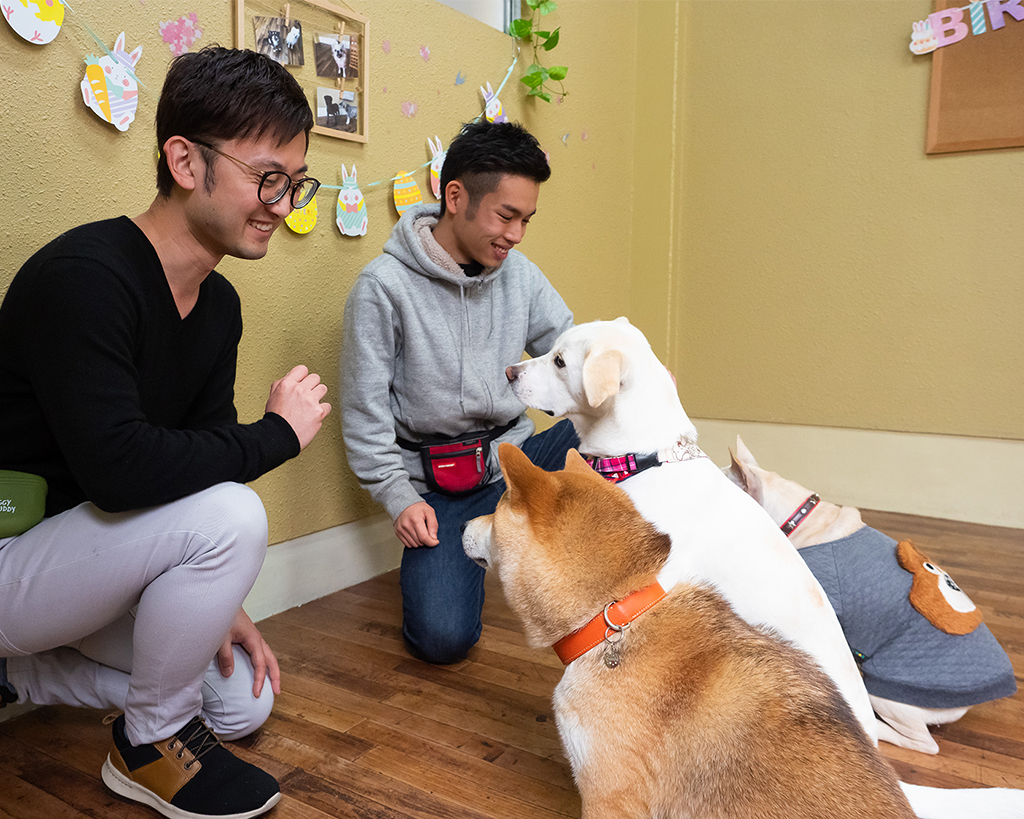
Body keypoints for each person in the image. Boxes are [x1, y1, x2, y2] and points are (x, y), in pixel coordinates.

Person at [0, 47, 331, 819]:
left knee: (240, 701)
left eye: (295, 182)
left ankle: (19, 678)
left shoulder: (218, 306)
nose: (284, 204)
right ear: (185, 161)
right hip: (15, 554)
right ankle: (148, 742)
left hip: (86, 564)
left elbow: (198, 465)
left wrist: (217, 599)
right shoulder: (83, 277)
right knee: (235, 513)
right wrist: (277, 434)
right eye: (268, 178)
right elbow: (120, 470)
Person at [340, 119, 578, 665]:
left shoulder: (522, 276)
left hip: (519, 457)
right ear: (455, 198)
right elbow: (364, 415)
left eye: (526, 220)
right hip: (441, 487)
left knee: (618, 431)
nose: (516, 235)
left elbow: (571, 351)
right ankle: (488, 548)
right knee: (442, 640)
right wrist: (399, 497)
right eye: (506, 216)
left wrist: (637, 380)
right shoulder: (382, 289)